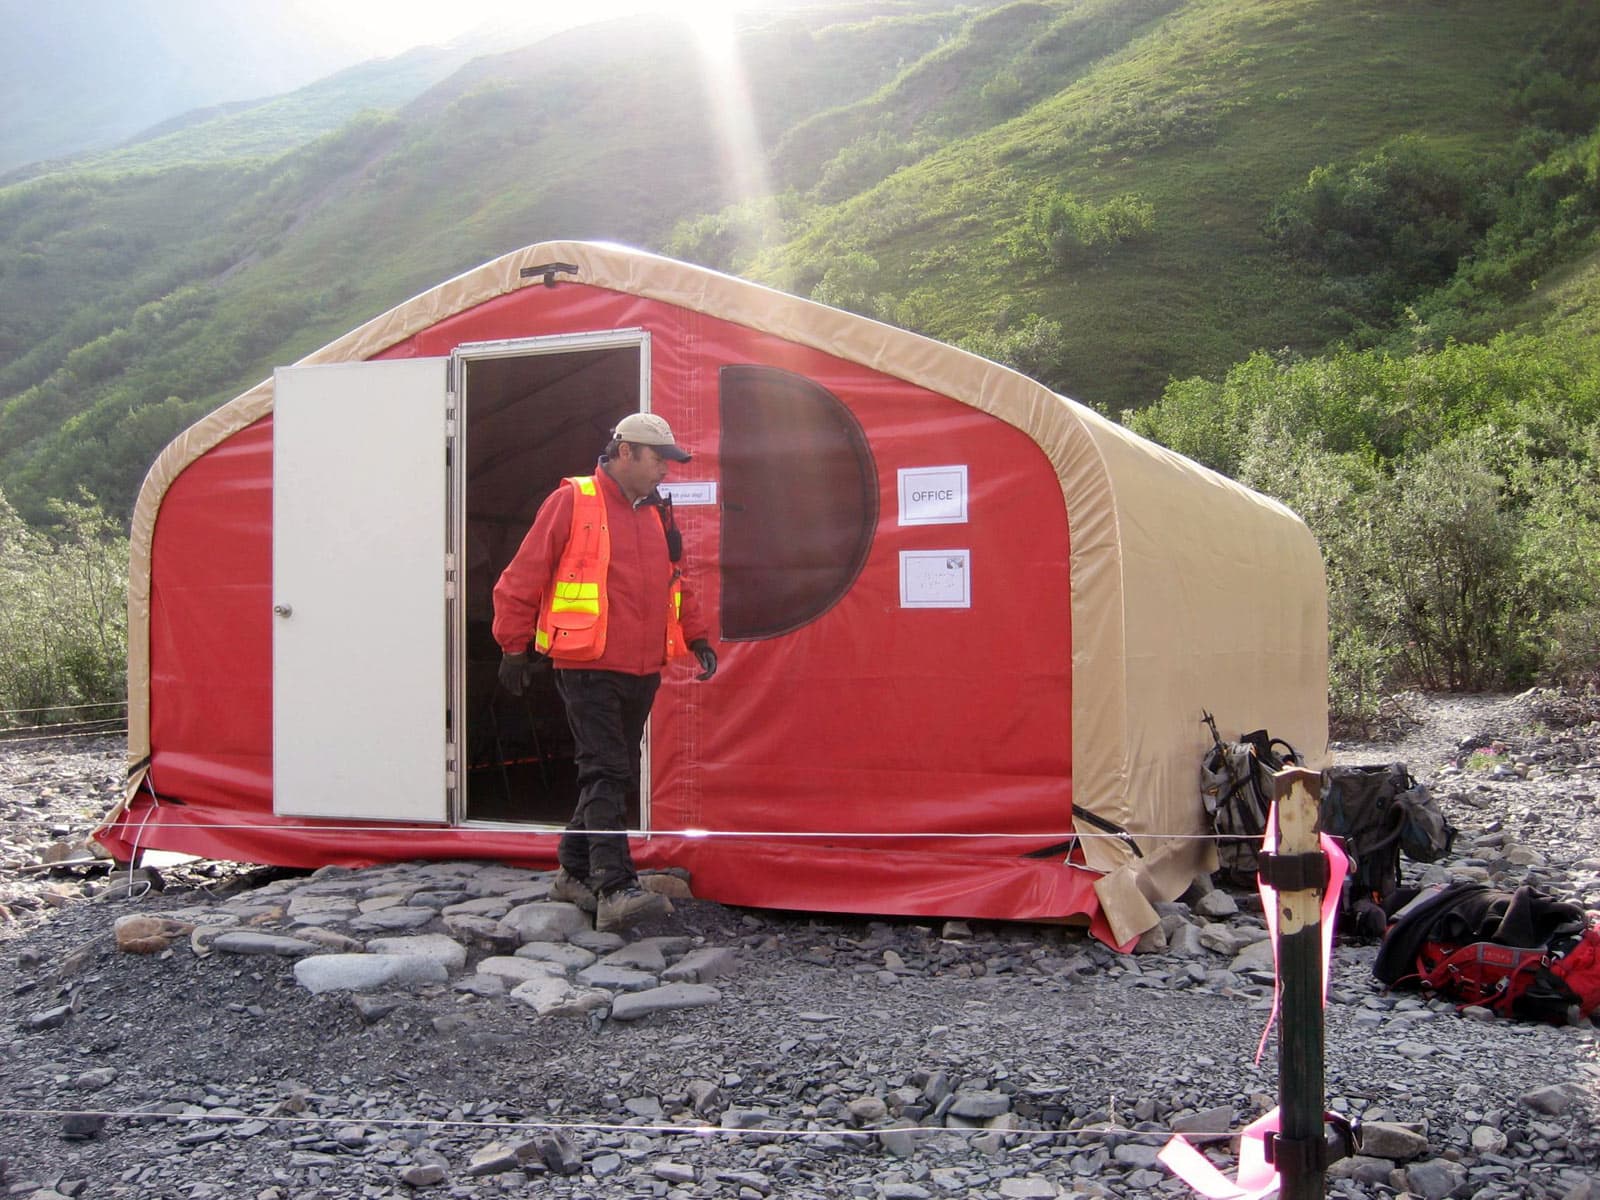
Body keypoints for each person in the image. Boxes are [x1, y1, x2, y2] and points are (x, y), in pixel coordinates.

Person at [492, 412, 717, 933]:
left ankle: (573, 872)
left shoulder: (657, 513)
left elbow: (676, 582)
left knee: (612, 769)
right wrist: (512, 646)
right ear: (625, 452)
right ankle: (615, 887)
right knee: (607, 770)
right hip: (587, 665)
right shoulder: (572, 500)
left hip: (642, 667)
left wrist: (697, 636)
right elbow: (523, 575)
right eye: (658, 458)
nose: (665, 469)